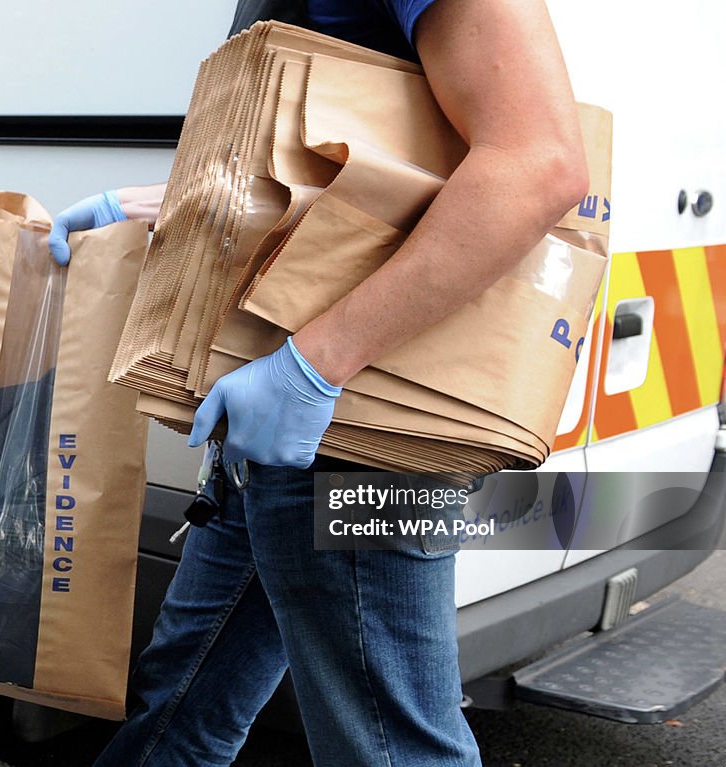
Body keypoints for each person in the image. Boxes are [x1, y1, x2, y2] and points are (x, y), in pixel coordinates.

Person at [48, 1, 588, 764]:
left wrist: (315, 364)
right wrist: (157, 208)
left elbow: (539, 163)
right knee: (181, 702)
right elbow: (341, 162)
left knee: (390, 748)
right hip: (275, 418)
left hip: (356, 425)